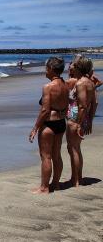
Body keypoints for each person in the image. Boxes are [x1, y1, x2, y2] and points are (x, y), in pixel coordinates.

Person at [28, 57, 69, 194]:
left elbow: (45, 110)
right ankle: (55, 184)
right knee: (56, 155)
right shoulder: (65, 85)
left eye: (46, 68)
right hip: (61, 123)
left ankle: (44, 187)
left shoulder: (48, 87)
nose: (45, 71)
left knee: (46, 156)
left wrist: (35, 128)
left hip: (49, 124)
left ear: (51, 69)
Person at [65, 56, 97, 187]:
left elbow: (83, 106)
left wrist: (79, 124)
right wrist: (89, 121)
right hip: (81, 119)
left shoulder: (81, 83)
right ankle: (78, 178)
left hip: (75, 119)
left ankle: (76, 180)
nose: (71, 66)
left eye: (74, 64)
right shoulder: (88, 82)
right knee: (76, 148)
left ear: (79, 67)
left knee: (73, 149)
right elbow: (94, 103)